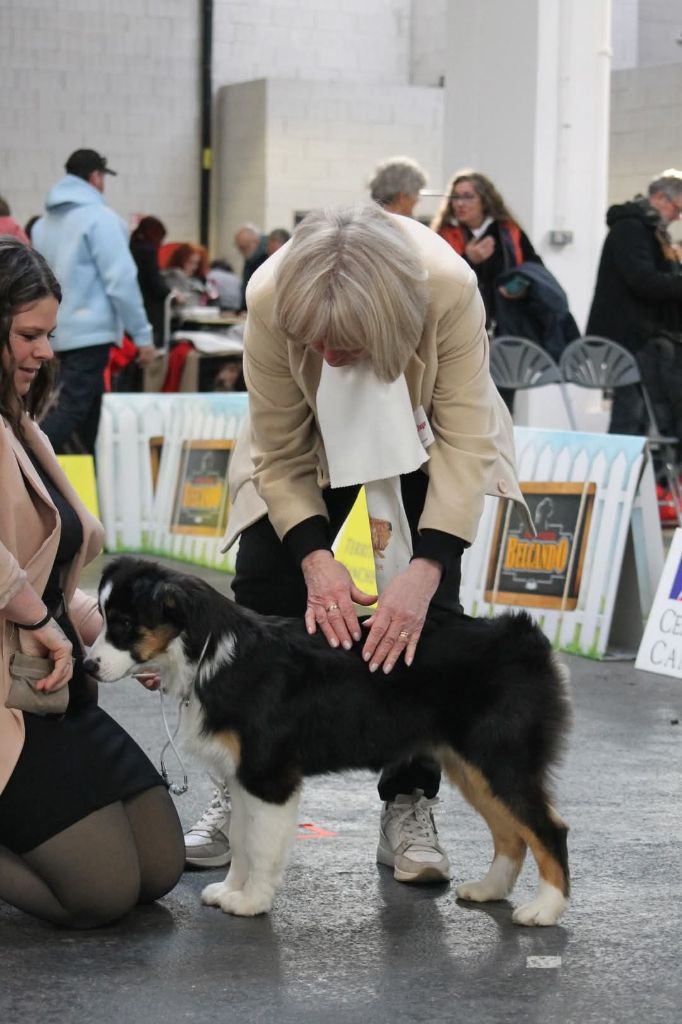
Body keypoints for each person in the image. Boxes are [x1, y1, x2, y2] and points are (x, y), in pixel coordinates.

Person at [183, 203, 529, 882]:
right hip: (303, 444)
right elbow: (279, 453)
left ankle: (409, 799)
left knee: (423, 622)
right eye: (315, 343)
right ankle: (241, 789)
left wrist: (427, 567)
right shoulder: (270, 294)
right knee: (262, 597)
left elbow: (465, 443)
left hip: (423, 436)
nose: (330, 357)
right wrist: (316, 559)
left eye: (344, 345)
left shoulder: (448, 287)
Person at [0, 239, 184, 927]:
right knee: (101, 894)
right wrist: (36, 617)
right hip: (9, 694)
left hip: (50, 689)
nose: (45, 351)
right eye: (29, 335)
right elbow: (24, 592)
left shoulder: (23, 426)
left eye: (49, 334)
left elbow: (50, 577)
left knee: (160, 869)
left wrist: (119, 638)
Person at [32, 148, 155, 454]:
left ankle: (79, 478)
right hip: (90, 334)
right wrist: (142, 336)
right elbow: (121, 281)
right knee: (71, 410)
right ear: (96, 177)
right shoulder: (102, 220)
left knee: (85, 415)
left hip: (51, 333)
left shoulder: (43, 224)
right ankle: (27, 463)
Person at [432, 170, 578, 406]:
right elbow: (438, 278)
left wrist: (517, 286)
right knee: (463, 399)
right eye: (455, 197)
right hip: (461, 329)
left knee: (502, 400)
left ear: (485, 199)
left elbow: (534, 268)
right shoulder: (445, 234)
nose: (460, 203)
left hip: (507, 328)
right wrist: (469, 259)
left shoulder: (508, 231)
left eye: (468, 196)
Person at [586, 169, 682, 444]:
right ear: (660, 198)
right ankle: (616, 470)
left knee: (641, 418)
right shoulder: (631, 228)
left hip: (642, 337)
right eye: (677, 209)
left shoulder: (650, 232)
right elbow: (643, 280)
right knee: (630, 416)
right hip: (629, 337)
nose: (677, 217)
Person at [129, 216, 171, 349]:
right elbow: (155, 284)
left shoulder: (131, 247)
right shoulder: (149, 251)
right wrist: (171, 293)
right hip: (150, 308)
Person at [234, 223, 268, 310]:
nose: (241, 251)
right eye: (239, 247)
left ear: (255, 242)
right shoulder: (251, 257)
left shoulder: (265, 259)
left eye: (243, 247)